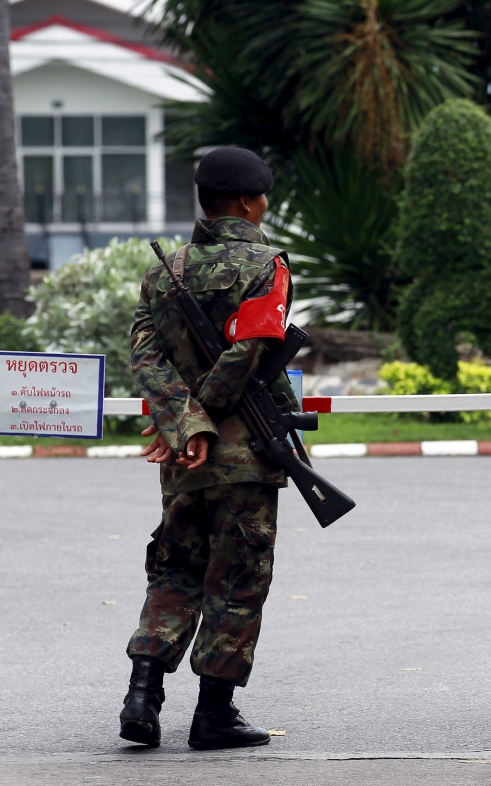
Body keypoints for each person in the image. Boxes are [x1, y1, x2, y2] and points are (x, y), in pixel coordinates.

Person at [119, 146, 298, 749]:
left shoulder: (165, 269)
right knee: (238, 578)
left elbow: (144, 355)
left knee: (174, 567)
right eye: (263, 196)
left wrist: (184, 421)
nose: (265, 205)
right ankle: (214, 715)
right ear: (247, 202)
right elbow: (250, 351)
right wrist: (208, 418)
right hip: (244, 453)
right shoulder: (268, 265)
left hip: (182, 454)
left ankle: (142, 697)